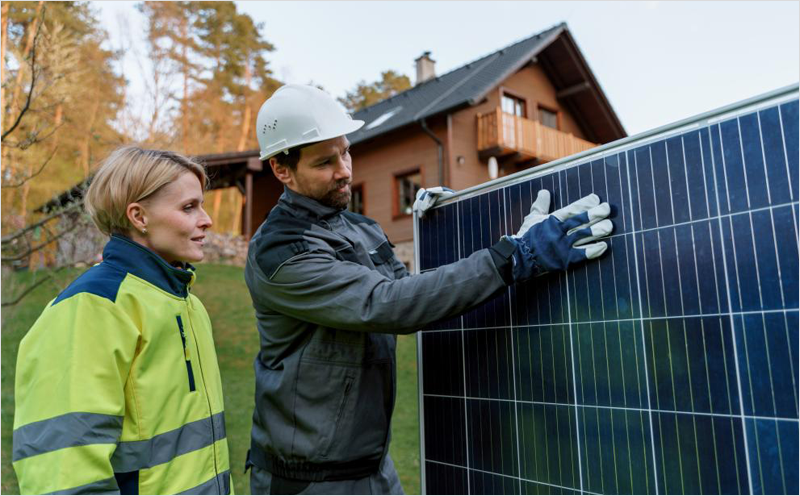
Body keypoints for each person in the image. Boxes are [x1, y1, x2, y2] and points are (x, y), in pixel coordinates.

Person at [244, 85, 613, 494]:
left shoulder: (361, 229)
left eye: (345, 152)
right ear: (282, 169)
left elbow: (417, 295)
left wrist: (454, 225)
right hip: (307, 482)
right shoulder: (281, 250)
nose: (345, 170)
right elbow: (386, 304)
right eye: (325, 162)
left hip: (375, 470)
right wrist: (516, 256)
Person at [12, 146, 233, 495]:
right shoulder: (92, 306)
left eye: (201, 205)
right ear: (138, 217)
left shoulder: (188, 304)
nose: (206, 219)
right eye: (189, 207)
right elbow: (63, 472)